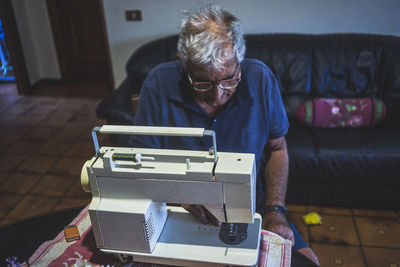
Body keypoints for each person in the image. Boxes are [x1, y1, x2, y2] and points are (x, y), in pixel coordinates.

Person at [131, 3, 319, 265]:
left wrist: (275, 210)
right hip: (177, 209)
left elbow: (278, 149)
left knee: (307, 260)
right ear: (183, 63)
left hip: (251, 206)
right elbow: (143, 162)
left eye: (228, 80)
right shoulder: (158, 82)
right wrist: (179, 195)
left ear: (240, 61)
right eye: (202, 83)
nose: (217, 95)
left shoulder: (261, 78)